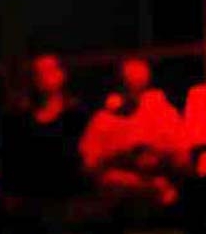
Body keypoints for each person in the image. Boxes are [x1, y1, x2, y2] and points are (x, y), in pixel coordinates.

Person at [79, 57, 189, 211]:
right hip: (118, 191)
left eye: (139, 85)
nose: (133, 92)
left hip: (158, 184)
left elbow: (183, 157)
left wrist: (157, 154)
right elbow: (88, 165)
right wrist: (119, 155)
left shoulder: (165, 114)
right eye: (127, 85)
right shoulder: (103, 119)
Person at [0, 53, 88, 212]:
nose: (42, 77)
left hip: (68, 192)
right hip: (30, 196)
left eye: (48, 70)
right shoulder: (20, 117)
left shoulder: (76, 114)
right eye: (37, 72)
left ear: (62, 74)